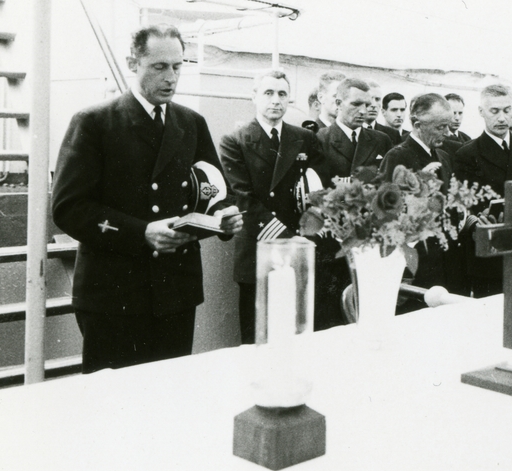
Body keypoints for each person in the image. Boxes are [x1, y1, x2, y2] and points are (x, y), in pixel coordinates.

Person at [51, 24, 243, 373]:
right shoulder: (95, 123)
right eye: (159, 67)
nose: (171, 77)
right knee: (114, 405)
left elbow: (215, 192)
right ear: (132, 63)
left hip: (175, 290)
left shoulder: (191, 123)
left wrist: (224, 220)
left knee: (168, 400)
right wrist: (141, 232)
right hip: (114, 293)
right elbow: (68, 208)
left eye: (178, 66)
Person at [219, 69, 343, 340]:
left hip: (299, 246)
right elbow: (243, 198)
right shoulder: (235, 141)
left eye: (282, 94)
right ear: (254, 97)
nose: (275, 100)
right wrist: (287, 241)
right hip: (259, 250)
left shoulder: (305, 139)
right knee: (258, 338)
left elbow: (321, 189)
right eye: (268, 93)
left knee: (296, 334)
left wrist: (308, 230)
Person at [454, 84, 512, 296]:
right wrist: (477, 222)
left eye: (507, 110)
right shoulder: (467, 154)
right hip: (490, 251)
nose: (502, 118)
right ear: (481, 112)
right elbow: (462, 206)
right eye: (495, 111)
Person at [380, 94, 467, 298]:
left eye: (447, 125)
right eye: (440, 127)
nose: (447, 132)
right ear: (417, 124)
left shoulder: (443, 156)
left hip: (446, 261)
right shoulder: (397, 157)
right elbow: (384, 214)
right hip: (416, 264)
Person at [315, 78, 391, 180]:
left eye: (367, 105)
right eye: (356, 104)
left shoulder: (381, 140)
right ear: (339, 103)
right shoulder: (320, 139)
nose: (363, 111)